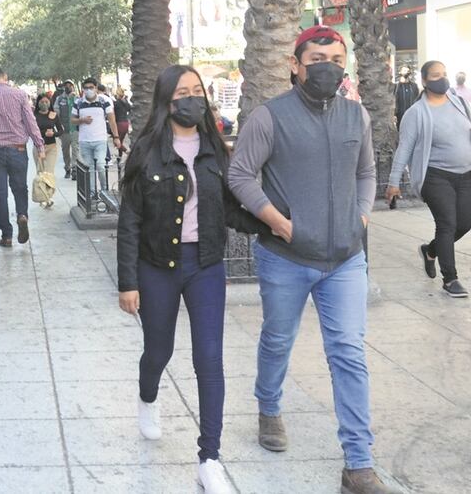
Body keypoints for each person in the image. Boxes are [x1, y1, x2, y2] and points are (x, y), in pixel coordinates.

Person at [227, 26, 396, 494]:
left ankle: (358, 463)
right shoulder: (269, 117)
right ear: (295, 65)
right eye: (317, 57)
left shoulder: (355, 116)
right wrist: (279, 223)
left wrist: (361, 216)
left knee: (348, 353)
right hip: (285, 257)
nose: (328, 66)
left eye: (336, 58)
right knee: (278, 339)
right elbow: (240, 175)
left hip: (345, 259)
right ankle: (269, 406)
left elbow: (367, 171)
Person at [117, 65, 263, 494]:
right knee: (158, 350)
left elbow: (232, 210)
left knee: (209, 359)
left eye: (197, 90)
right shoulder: (145, 151)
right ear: (166, 100)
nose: (192, 98)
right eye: (183, 92)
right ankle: (148, 397)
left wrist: (271, 222)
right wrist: (128, 283)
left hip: (206, 265)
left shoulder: (216, 149)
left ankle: (209, 457)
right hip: (157, 265)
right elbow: (130, 222)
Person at [386, 61, 471, 299]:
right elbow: (404, 149)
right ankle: (450, 279)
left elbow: (470, 130)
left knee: (464, 225)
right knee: (447, 224)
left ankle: (430, 251)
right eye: (436, 75)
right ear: (425, 81)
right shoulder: (416, 113)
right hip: (435, 176)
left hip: (466, 174)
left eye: (445, 74)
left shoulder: (459, 103)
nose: (443, 79)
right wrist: (393, 182)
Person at [0, 66, 45, 247]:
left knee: (0, 193)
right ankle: (22, 215)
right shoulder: (20, 95)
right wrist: (39, 145)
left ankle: (6, 235)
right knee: (20, 187)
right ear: (5, 77)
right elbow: (31, 122)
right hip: (18, 149)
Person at [72, 77, 123, 199]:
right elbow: (72, 120)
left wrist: (116, 137)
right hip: (84, 141)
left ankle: (105, 191)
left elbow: (111, 119)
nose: (88, 90)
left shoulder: (104, 101)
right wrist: (82, 120)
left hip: (100, 140)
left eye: (91, 87)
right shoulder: (78, 102)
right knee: (89, 168)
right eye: (86, 88)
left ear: (96, 88)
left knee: (100, 165)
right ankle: (92, 193)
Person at [34, 93, 64, 207]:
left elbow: (61, 130)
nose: (44, 104)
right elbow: (32, 131)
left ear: (50, 103)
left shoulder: (53, 115)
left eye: (47, 102)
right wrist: (43, 134)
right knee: (40, 173)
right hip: (38, 147)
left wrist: (54, 133)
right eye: (42, 102)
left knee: (49, 173)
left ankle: (48, 197)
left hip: (51, 147)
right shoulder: (34, 115)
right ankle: (42, 197)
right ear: (38, 103)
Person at [55, 81, 78, 178]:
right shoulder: (60, 99)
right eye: (66, 85)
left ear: (73, 86)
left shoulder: (77, 99)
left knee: (75, 150)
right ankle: (67, 168)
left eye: (70, 85)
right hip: (64, 130)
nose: (68, 87)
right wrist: (59, 127)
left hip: (75, 129)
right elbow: (56, 112)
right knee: (65, 150)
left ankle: (74, 169)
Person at [393, 65, 419, 129]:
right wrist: (394, 114)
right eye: (404, 70)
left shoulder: (414, 86)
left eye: (408, 71)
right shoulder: (396, 87)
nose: (406, 72)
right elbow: (394, 100)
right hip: (400, 116)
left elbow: (417, 99)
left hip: (413, 115)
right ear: (400, 72)